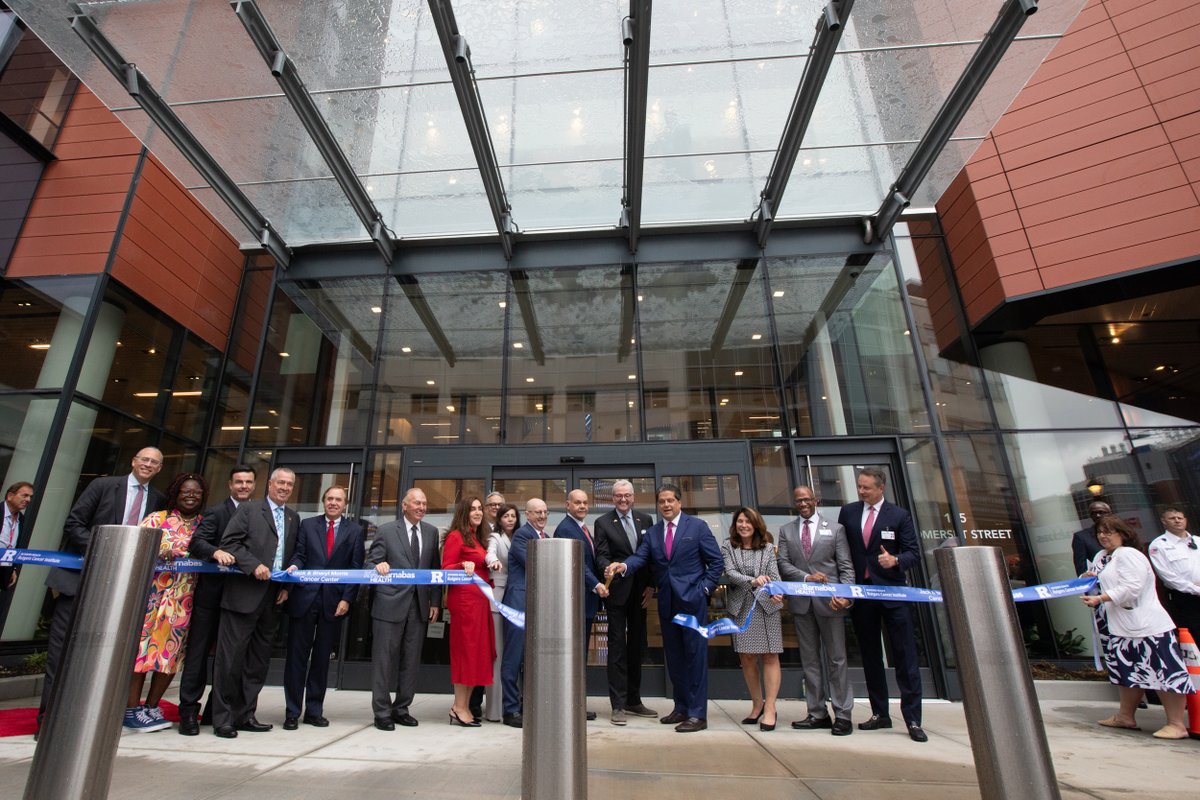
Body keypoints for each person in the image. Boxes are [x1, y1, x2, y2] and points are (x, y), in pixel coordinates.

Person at [41, 447, 166, 729]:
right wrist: (108, 548)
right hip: (80, 582)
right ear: (133, 461)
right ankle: (48, 721)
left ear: (159, 469)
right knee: (61, 653)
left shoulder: (158, 500)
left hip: (121, 588)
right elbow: (74, 525)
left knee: (103, 654)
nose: (147, 465)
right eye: (144, 459)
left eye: (154, 463)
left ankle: (89, 721)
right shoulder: (103, 486)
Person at [608, 484, 723, 733]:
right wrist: (623, 566)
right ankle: (681, 707)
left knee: (695, 656)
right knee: (675, 658)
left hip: (692, 602)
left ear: (679, 502)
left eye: (671, 500)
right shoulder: (653, 532)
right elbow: (641, 557)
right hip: (668, 603)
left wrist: (704, 589)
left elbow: (716, 562)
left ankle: (697, 714)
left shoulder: (697, 527)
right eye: (662, 501)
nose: (666, 505)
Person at [1082, 514, 1194, 739]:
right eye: (1100, 533)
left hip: (1147, 626)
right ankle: (1125, 716)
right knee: (1128, 673)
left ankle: (1176, 724)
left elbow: (1132, 587)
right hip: (1119, 628)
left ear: (1122, 533)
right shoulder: (1102, 557)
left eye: (1108, 531)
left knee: (1164, 672)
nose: (1103, 536)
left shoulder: (1130, 555)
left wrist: (1102, 598)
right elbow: (1099, 581)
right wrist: (1088, 579)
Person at [839, 467, 926, 742]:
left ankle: (912, 718)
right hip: (863, 595)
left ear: (881, 488)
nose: (861, 491)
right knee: (870, 656)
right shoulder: (849, 512)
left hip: (893, 594)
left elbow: (914, 553)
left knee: (904, 656)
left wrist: (896, 561)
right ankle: (880, 713)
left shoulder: (899, 516)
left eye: (866, 487)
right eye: (860, 486)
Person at [211, 467, 299, 738]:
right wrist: (253, 565)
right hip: (243, 596)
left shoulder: (293, 518)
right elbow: (230, 543)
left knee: (257, 662)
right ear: (270, 484)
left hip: (273, 599)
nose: (284, 487)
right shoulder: (249, 510)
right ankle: (223, 718)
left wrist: (286, 584)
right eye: (280, 482)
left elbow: (289, 554)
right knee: (230, 660)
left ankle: (245, 714)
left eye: (289, 484)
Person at [123, 473, 209, 732]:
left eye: (196, 493)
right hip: (152, 598)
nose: (191, 496)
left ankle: (151, 706)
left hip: (183, 602)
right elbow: (134, 548)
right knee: (141, 652)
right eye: (186, 491)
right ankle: (131, 709)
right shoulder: (156, 519)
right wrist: (161, 551)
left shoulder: (204, 525)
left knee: (170, 655)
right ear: (176, 493)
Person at [178, 465, 253, 735]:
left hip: (239, 598)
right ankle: (188, 710)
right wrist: (216, 552)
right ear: (230, 485)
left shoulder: (256, 513)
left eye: (248, 482)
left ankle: (215, 710)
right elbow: (197, 542)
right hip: (211, 597)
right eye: (239, 482)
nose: (244, 486)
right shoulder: (217, 511)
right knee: (197, 655)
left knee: (229, 659)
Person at [282, 485, 365, 730]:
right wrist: (294, 567)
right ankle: (292, 712)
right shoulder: (307, 525)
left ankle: (314, 711)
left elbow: (356, 568)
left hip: (334, 603)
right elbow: (299, 554)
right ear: (323, 501)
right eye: (329, 498)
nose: (333, 503)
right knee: (296, 658)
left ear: (345, 504)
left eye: (338, 499)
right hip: (304, 600)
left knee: (321, 659)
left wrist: (347, 599)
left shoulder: (355, 531)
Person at [778, 485, 855, 735]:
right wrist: (806, 577)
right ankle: (817, 712)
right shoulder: (786, 530)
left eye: (806, 499)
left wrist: (846, 597)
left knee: (836, 659)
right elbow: (783, 564)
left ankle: (843, 714)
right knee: (810, 660)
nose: (802, 504)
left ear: (815, 500)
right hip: (802, 604)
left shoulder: (836, 529)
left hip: (831, 603)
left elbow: (845, 567)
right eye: (798, 500)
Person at [366, 487, 440, 730]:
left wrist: (435, 602)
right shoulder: (387, 531)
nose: (421, 507)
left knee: (410, 661)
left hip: (418, 607)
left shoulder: (430, 533)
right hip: (389, 605)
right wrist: (378, 565)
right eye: (416, 503)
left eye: (424, 503)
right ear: (404, 505)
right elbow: (370, 563)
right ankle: (382, 712)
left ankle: (402, 708)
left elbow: (434, 570)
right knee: (384, 661)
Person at [593, 479, 658, 726]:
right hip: (617, 593)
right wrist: (606, 568)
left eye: (627, 495)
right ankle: (618, 704)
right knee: (617, 648)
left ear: (634, 497)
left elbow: (650, 556)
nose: (623, 499)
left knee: (636, 647)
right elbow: (601, 555)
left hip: (641, 593)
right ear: (612, 498)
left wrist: (651, 585)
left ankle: (634, 700)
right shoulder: (603, 523)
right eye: (618, 496)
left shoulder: (646, 520)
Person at [721, 507, 783, 732]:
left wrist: (776, 590)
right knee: (747, 657)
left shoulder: (767, 548)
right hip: (742, 606)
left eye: (748, 521)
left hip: (766, 606)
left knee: (769, 656)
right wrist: (754, 581)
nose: (743, 525)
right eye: (740, 521)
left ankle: (771, 708)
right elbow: (730, 574)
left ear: (756, 524)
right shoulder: (728, 546)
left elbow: (774, 575)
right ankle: (757, 704)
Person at [554, 489, 607, 721]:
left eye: (585, 502)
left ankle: (575, 705)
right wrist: (597, 585)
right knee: (574, 657)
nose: (582, 506)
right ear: (568, 505)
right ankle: (573, 707)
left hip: (585, 603)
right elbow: (577, 563)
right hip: (575, 602)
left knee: (578, 655)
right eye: (578, 503)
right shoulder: (567, 529)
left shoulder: (584, 528)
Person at [442, 496, 495, 728]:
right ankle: (459, 706)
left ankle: (463, 706)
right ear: (464, 512)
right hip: (464, 603)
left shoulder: (478, 538)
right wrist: (462, 566)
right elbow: (445, 568)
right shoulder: (455, 537)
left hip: (480, 602)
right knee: (466, 652)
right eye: (472, 509)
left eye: (479, 508)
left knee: (477, 654)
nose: (477, 512)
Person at [500, 497, 550, 728]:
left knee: (531, 657)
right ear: (527, 515)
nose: (542, 516)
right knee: (513, 656)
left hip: (537, 604)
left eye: (545, 512)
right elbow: (536, 562)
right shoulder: (522, 536)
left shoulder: (547, 538)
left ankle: (526, 705)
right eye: (537, 512)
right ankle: (510, 710)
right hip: (518, 602)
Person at [470, 491, 506, 718]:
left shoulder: (507, 531)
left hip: (499, 597)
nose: (495, 508)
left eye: (499, 505)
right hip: (478, 594)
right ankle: (473, 701)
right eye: (491, 505)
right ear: (485, 507)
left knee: (496, 650)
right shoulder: (477, 530)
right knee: (479, 648)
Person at [481, 502, 518, 722]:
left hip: (516, 595)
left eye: (514, 516)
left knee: (513, 652)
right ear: (500, 519)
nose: (510, 519)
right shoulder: (495, 537)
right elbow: (490, 554)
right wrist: (493, 562)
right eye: (506, 516)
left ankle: (513, 703)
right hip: (498, 595)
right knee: (498, 652)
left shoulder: (521, 537)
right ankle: (495, 710)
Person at [1149, 508, 1200, 636]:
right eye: (1172, 518)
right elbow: (1167, 576)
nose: (1177, 521)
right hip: (1185, 598)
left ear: (1185, 520)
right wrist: (1196, 589)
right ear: (1164, 521)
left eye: (1180, 518)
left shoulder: (1198, 541)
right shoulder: (1158, 545)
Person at [0, 481, 33, 623]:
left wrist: (13, 567)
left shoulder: (21, 519)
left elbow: (15, 545)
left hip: (4, 571)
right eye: (24, 495)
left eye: (30, 497)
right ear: (10, 496)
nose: (28, 500)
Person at [1072, 500, 1113, 576]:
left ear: (1109, 514)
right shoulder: (1082, 537)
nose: (1097, 515)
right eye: (1094, 513)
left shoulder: (1119, 533)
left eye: (1101, 512)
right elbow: (1082, 570)